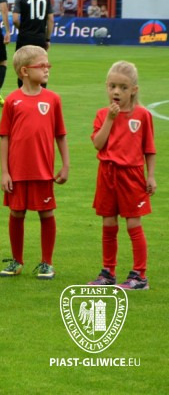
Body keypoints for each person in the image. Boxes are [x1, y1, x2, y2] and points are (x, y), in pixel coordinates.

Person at [0, 45, 69, 279]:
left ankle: (47, 262)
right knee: (17, 213)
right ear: (25, 71)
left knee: (46, 213)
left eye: (48, 64)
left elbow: (60, 134)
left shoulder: (53, 99)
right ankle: (16, 261)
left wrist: (65, 164)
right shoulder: (12, 101)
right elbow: (4, 137)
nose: (47, 68)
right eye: (42, 65)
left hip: (43, 171)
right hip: (17, 172)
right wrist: (5, 172)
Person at [86, 61, 155, 290]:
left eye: (123, 88)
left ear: (133, 90)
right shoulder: (102, 114)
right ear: (107, 86)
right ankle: (108, 272)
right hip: (107, 174)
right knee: (108, 223)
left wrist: (151, 176)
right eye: (112, 86)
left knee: (133, 223)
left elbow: (149, 149)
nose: (117, 91)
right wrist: (110, 119)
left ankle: (139, 276)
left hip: (132, 176)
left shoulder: (142, 115)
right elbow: (98, 144)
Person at [13, 0, 53, 87]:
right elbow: (51, 20)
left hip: (24, 37)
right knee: (41, 67)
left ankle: (23, 94)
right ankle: (42, 94)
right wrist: (47, 39)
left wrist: (21, 28)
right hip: (40, 38)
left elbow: (15, 19)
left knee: (22, 68)